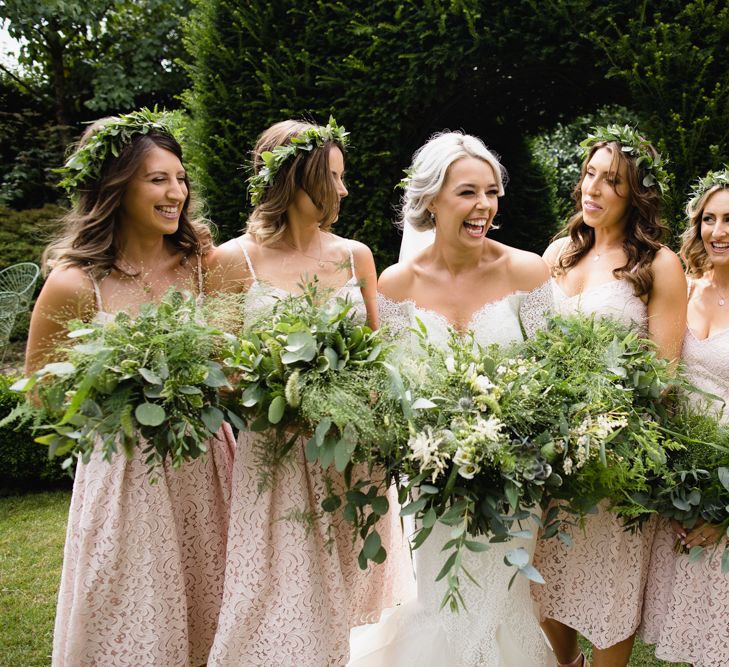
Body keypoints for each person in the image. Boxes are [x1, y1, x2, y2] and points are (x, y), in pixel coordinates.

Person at [26, 109, 235, 667]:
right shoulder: (75, 283)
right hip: (124, 473)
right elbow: (38, 391)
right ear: (116, 187)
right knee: (133, 609)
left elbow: (229, 361)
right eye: (158, 179)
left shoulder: (200, 263)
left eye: (181, 178)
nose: (177, 192)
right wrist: (117, 391)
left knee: (214, 606)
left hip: (205, 463)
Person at [206, 118, 413, 667]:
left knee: (335, 601)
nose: (344, 190)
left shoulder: (355, 256)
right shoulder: (231, 261)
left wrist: (357, 402)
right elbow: (220, 373)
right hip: (274, 456)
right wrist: (283, 403)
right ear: (296, 180)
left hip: (348, 458)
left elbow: (379, 355)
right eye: (334, 178)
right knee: (276, 600)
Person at [349, 130, 556, 667]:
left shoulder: (528, 272)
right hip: (430, 481)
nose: (483, 205)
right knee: (442, 596)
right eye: (467, 192)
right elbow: (387, 392)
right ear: (431, 200)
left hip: (515, 481)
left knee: (502, 595)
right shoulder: (396, 286)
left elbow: (557, 377)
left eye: (491, 192)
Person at [530, 125, 687, 667]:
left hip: (616, 458)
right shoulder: (557, 254)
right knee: (547, 587)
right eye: (589, 175)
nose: (591, 189)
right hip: (550, 456)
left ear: (636, 193)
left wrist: (609, 424)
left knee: (608, 594)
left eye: (610, 181)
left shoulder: (659, 265)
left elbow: (664, 373)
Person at [640, 168, 729, 667]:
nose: (718, 232)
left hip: (727, 487)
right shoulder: (685, 289)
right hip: (682, 482)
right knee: (695, 631)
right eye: (709, 219)